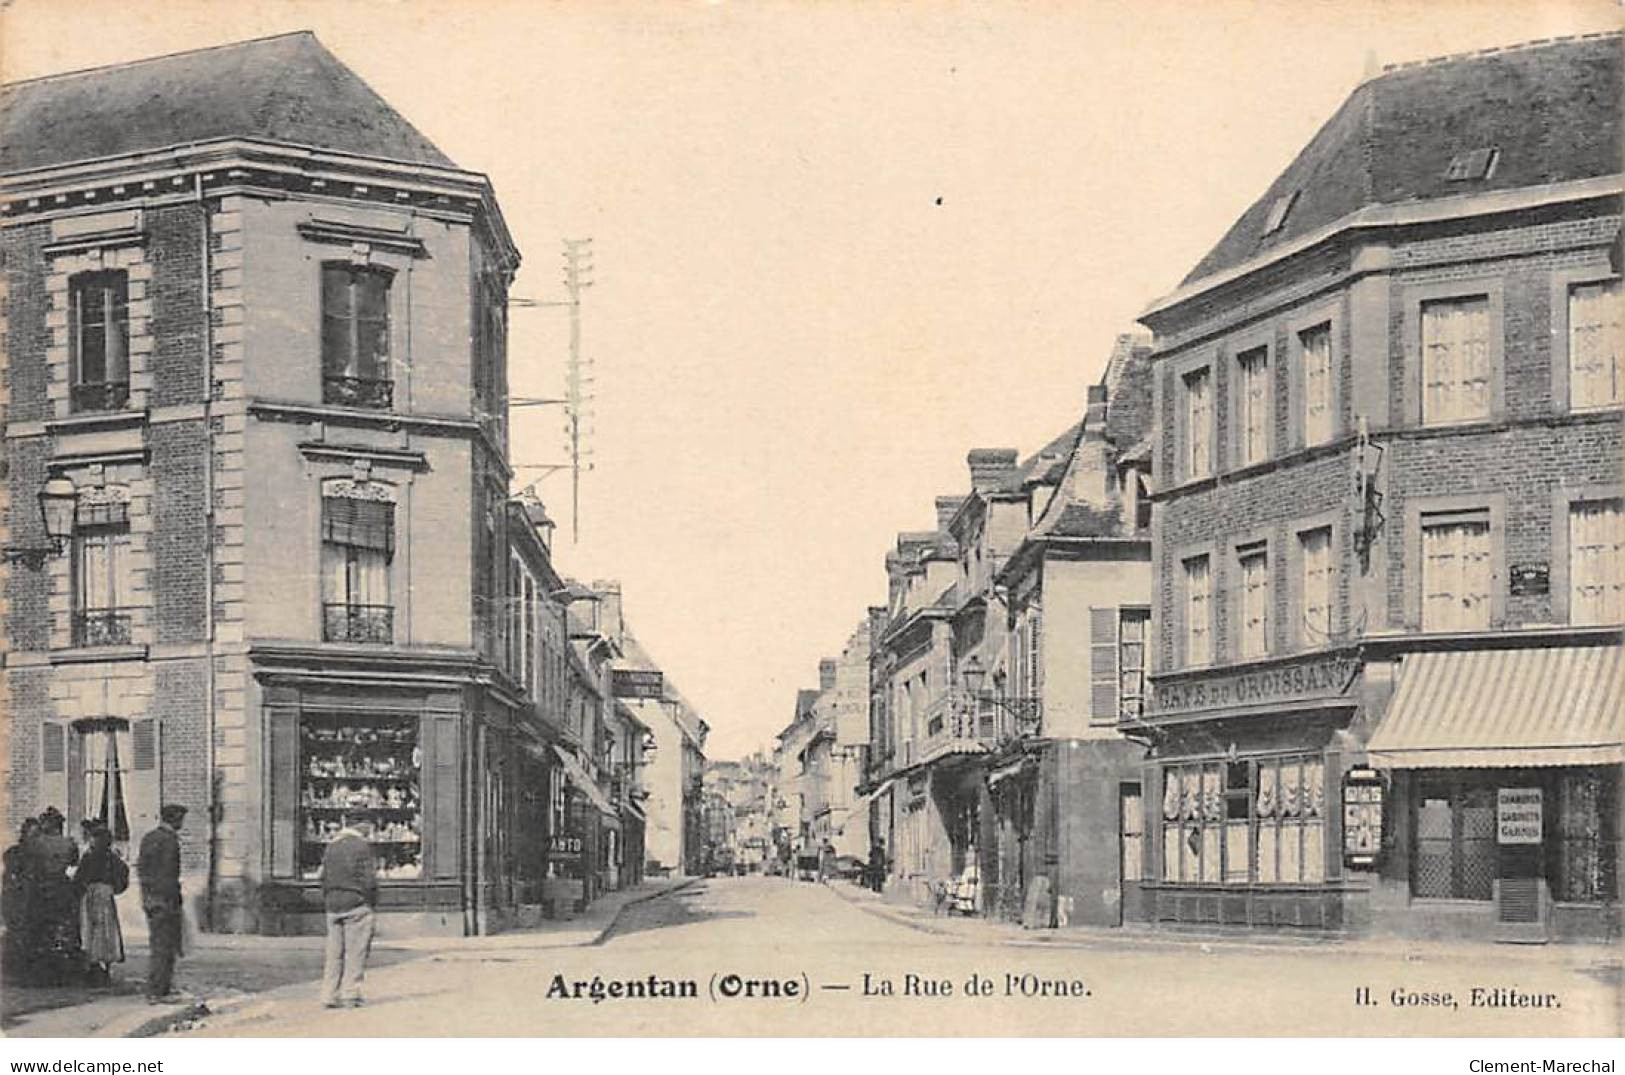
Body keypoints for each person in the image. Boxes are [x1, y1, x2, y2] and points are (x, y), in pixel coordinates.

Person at [319, 816, 378, 1009]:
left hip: (333, 905)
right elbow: (369, 880)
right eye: (369, 825)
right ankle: (350, 994)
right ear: (362, 825)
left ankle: (329, 994)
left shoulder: (331, 845)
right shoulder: (362, 846)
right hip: (356, 904)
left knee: (334, 953)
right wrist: (370, 902)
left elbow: (322, 876)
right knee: (356, 952)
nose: (371, 829)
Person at [137, 804, 186, 1004]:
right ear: (174, 819)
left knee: (158, 945)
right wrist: (174, 900)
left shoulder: (149, 837)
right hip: (165, 901)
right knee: (165, 947)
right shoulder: (169, 841)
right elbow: (168, 875)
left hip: (150, 899)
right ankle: (158, 990)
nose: (182, 823)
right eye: (180, 819)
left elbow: (142, 869)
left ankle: (159, 988)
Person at [28, 808, 82, 984]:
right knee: (64, 928)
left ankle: (42, 969)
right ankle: (63, 968)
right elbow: (74, 862)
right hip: (62, 886)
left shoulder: (36, 843)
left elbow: (31, 864)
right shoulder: (69, 843)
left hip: (41, 888)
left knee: (42, 929)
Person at [75, 824, 129, 984]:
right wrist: (114, 888)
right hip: (103, 894)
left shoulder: (91, 857)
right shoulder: (112, 858)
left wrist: (81, 887)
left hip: (94, 894)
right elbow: (122, 875)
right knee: (105, 930)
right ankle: (103, 966)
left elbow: (80, 877)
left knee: (94, 929)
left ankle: (95, 965)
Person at [2, 818, 41, 980]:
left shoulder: (38, 855)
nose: (36, 838)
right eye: (33, 835)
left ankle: (27, 967)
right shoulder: (14, 853)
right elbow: (9, 876)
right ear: (25, 835)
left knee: (31, 931)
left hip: (32, 897)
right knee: (16, 930)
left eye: (37, 835)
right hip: (17, 897)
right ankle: (14, 966)